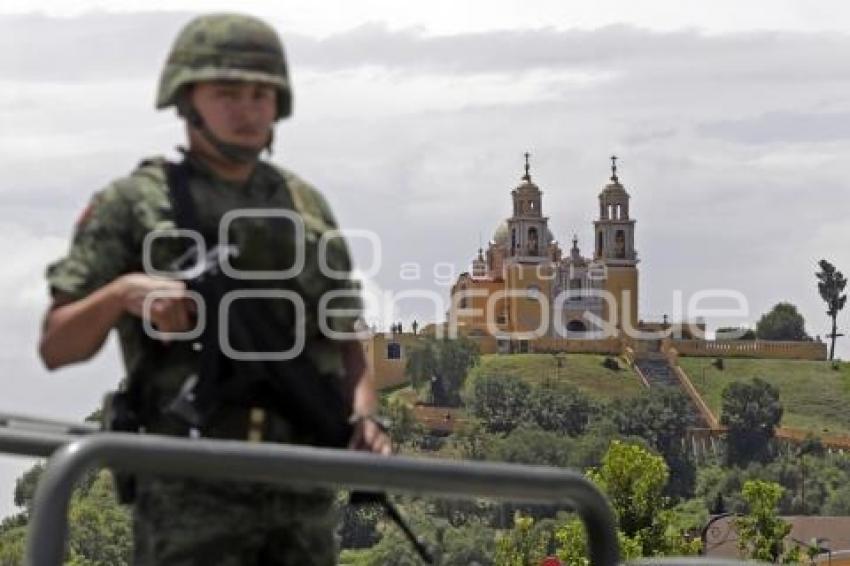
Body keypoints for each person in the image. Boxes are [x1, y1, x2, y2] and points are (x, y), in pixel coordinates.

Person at [38, 13, 389, 565]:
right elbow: (57, 345)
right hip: (188, 501)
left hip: (302, 501)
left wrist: (366, 418)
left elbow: (347, 343)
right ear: (187, 99)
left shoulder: (305, 208)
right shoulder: (134, 203)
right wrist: (124, 292)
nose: (247, 109)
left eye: (260, 94)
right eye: (228, 93)